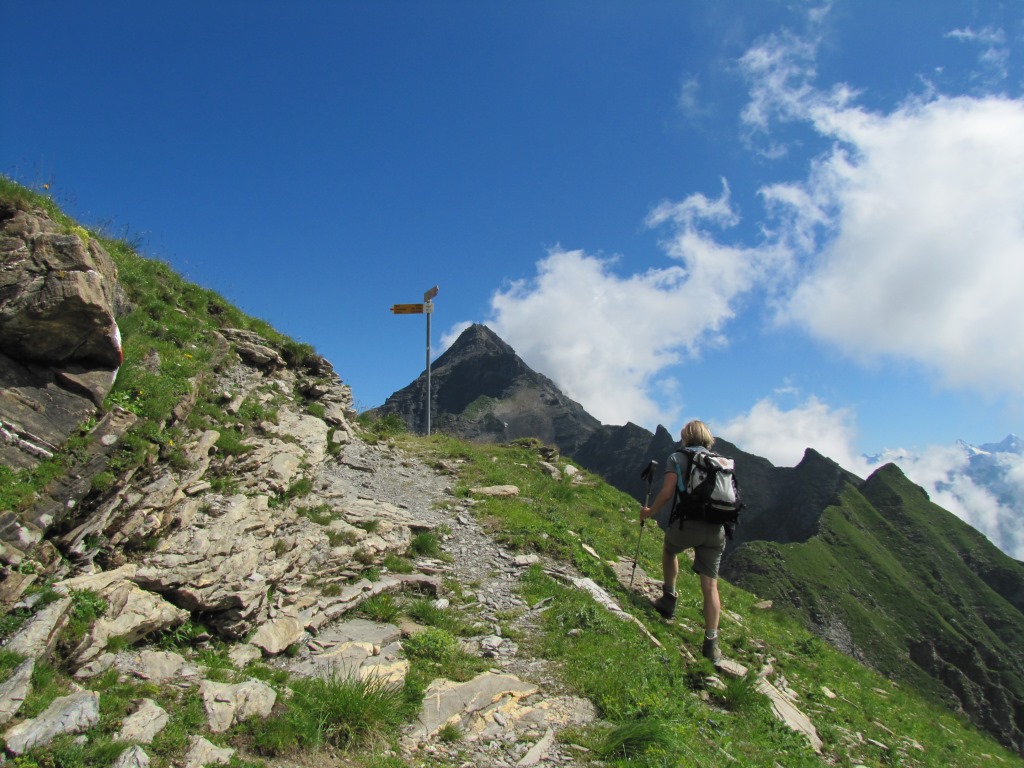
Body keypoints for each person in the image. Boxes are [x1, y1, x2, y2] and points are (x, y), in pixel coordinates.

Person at [640, 419, 725, 662]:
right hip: (717, 529)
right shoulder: (720, 462)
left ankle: (669, 599)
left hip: (689, 524)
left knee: (669, 550)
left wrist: (649, 513)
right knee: (710, 587)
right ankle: (711, 643)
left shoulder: (677, 458)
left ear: (686, 437)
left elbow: (667, 493)